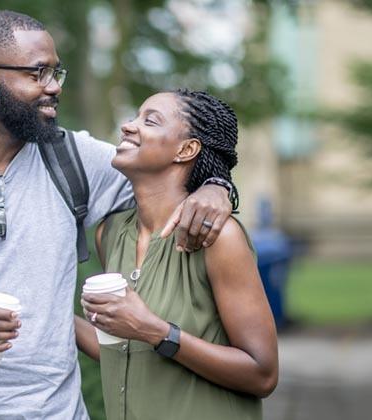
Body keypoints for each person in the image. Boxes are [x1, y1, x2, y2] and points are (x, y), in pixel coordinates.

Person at [0, 11, 233, 419]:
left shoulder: (76, 160)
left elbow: (173, 177)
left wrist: (218, 187)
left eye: (57, 73)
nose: (53, 87)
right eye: (38, 74)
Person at [78, 89, 279, 420]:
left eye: (150, 120)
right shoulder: (111, 233)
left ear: (186, 149)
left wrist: (155, 331)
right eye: (134, 117)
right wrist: (50, 319)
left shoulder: (218, 237)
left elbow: (262, 374)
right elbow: (122, 350)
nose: (128, 126)